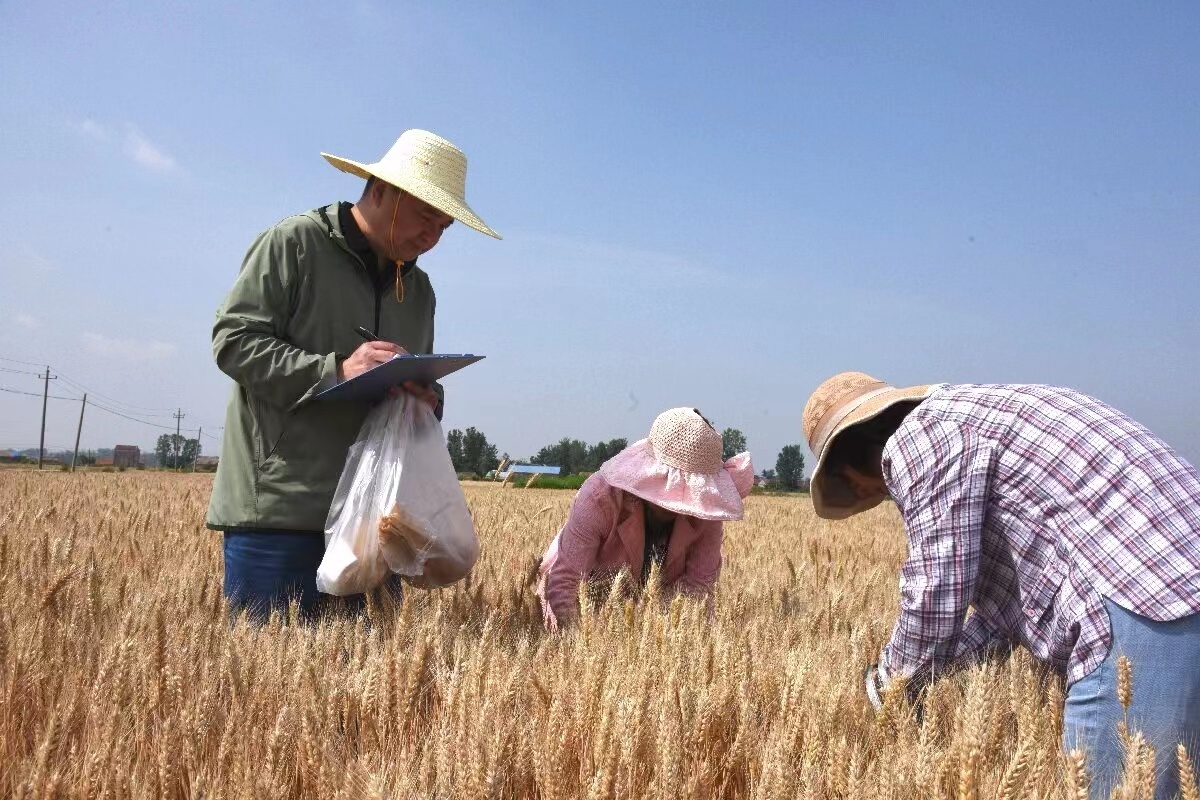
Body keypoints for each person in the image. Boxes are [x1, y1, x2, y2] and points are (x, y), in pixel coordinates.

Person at [801, 371, 1200, 800]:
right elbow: (1008, 614)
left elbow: (938, 587)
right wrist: (946, 669)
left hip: (1143, 605)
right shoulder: (986, 413)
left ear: (851, 460)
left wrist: (887, 687)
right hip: (1171, 592)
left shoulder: (919, 436)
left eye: (849, 485)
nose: (876, 496)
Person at [206, 129, 500, 620]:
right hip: (283, 514)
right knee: (273, 684)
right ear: (381, 189)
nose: (433, 234)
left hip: (375, 522)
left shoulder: (420, 290)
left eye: (445, 226)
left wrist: (426, 396)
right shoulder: (295, 244)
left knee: (365, 692)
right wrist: (336, 370)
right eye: (427, 215)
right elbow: (234, 342)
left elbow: (415, 377)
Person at [536, 407, 753, 630]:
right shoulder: (600, 498)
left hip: (651, 619)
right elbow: (565, 582)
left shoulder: (707, 510)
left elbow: (698, 587)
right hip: (581, 593)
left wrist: (662, 639)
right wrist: (576, 642)